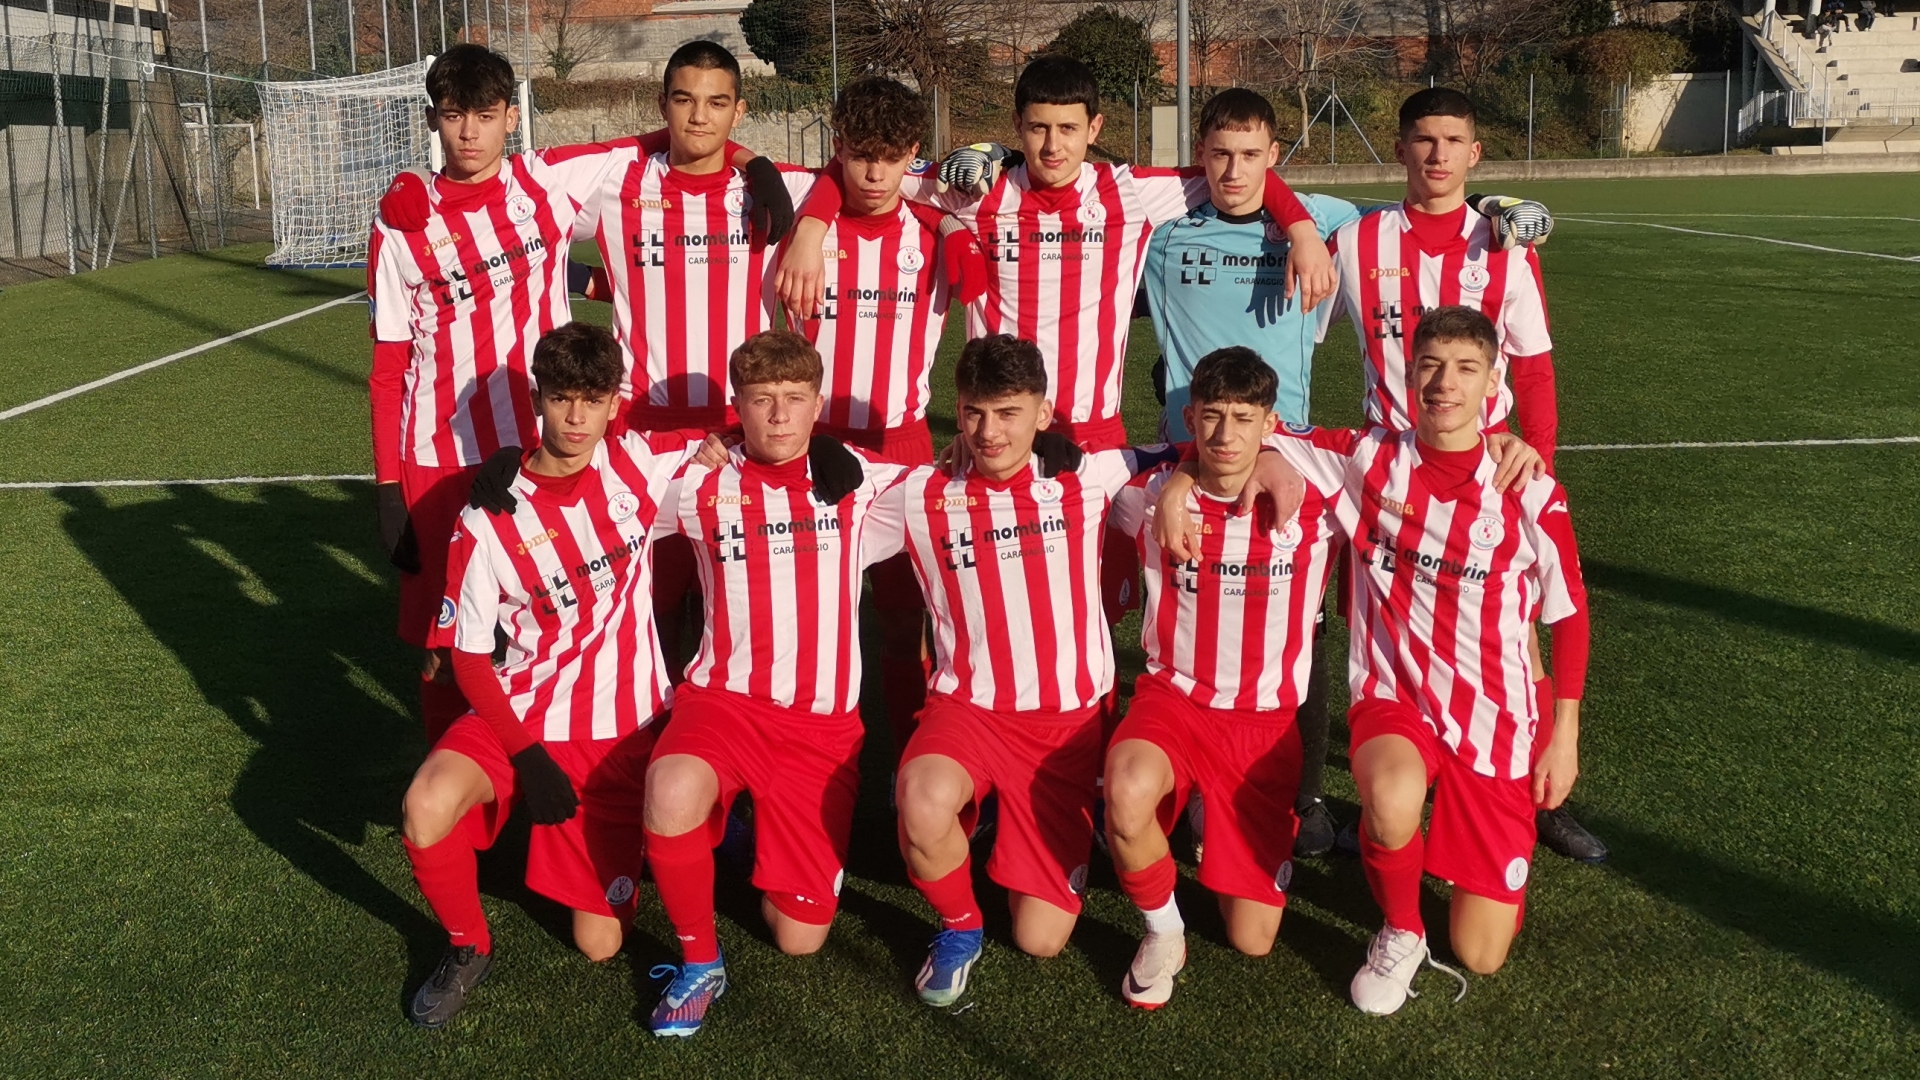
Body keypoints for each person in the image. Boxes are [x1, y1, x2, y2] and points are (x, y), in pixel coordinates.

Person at [781, 54, 1332, 632]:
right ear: (1017, 125)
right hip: (1000, 436)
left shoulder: (1128, 193)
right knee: (994, 611)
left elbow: (1236, 169)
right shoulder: (977, 192)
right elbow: (867, 165)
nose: (1052, 145)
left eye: (1068, 128)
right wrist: (814, 229)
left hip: (1095, 440)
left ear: (1095, 128)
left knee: (1095, 608)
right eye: (1038, 127)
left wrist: (1300, 230)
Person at [861, 335, 1301, 1007]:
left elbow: (1200, 452)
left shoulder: (1087, 476)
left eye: (1009, 413)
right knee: (920, 800)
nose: (988, 431)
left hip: (1064, 730)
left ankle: (1074, 814)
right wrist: (720, 450)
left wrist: (1204, 478)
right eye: (974, 412)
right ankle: (959, 925)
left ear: (1042, 414)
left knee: (1041, 939)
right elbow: (813, 476)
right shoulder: (919, 491)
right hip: (967, 711)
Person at [397, 323, 717, 1028]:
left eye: (593, 400)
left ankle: (627, 836)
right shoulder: (488, 514)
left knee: (600, 944)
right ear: (537, 399)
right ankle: (466, 945)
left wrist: (820, 448)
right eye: (562, 398)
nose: (576, 417)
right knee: (425, 804)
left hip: (616, 732)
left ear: (615, 404)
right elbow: (469, 658)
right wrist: (527, 756)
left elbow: (752, 426)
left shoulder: (638, 465)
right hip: (521, 712)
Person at [1271, 306, 1587, 1015]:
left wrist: (1562, 736)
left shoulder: (1529, 489)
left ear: (1493, 383)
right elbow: (1257, 432)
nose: (1446, 384)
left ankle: (1479, 851)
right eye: (1432, 367)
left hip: (1495, 718)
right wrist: (1225, 470)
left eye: (1466, 369)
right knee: (1390, 801)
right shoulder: (1366, 458)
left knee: (1481, 953)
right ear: (1410, 374)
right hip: (1396, 696)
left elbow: (1568, 615)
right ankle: (1403, 929)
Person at [1318, 86, 1603, 863]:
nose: (1437, 154)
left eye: (1453, 141)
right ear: (1400, 149)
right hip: (1388, 471)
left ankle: (1538, 794)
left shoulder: (1505, 246)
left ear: (1475, 153)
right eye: (1423, 139)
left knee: (1516, 637)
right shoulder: (1356, 241)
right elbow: (1293, 312)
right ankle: (1362, 789)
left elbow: (1534, 366)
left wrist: (1536, 459)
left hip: (1486, 461)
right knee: (1376, 632)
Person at [637, 330, 905, 1037]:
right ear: (738, 406)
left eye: (794, 398)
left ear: (817, 403)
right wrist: (699, 444)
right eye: (762, 401)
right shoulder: (699, 483)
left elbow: (965, 478)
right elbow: (600, 481)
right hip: (723, 704)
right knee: (670, 791)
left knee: (798, 937)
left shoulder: (857, 480)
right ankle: (700, 962)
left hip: (820, 732)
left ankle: (734, 831)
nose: (780, 416)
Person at [367, 44, 629, 741]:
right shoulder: (400, 222)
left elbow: (670, 138)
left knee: (550, 622)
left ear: (512, 117)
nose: (470, 133)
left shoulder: (547, 184)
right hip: (438, 459)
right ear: (433, 119)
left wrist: (765, 172)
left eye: (485, 115)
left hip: (541, 449)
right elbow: (388, 368)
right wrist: (389, 492)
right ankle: (452, 778)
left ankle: (545, 769)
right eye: (454, 115)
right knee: (443, 648)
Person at [1101, 347, 1343, 1007]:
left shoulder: (1322, 497)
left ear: (1270, 424)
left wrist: (1504, 445)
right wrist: (1181, 477)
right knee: (1126, 788)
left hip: (1263, 725)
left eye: (1243, 418)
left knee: (1253, 939)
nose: (1225, 434)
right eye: (1211, 416)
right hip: (1173, 702)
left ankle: (1215, 820)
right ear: (1189, 419)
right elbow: (1055, 462)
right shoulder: (1148, 492)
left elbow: (1403, 453)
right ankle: (1163, 929)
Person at [784, 75, 989, 753]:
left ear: (912, 155)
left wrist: (956, 219)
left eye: (891, 157)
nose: (874, 174)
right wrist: (812, 224)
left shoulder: (938, 229)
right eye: (860, 155)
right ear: (838, 148)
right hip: (809, 448)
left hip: (901, 449)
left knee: (906, 620)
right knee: (802, 625)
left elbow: (1001, 178)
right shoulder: (800, 220)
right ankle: (803, 757)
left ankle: (909, 754)